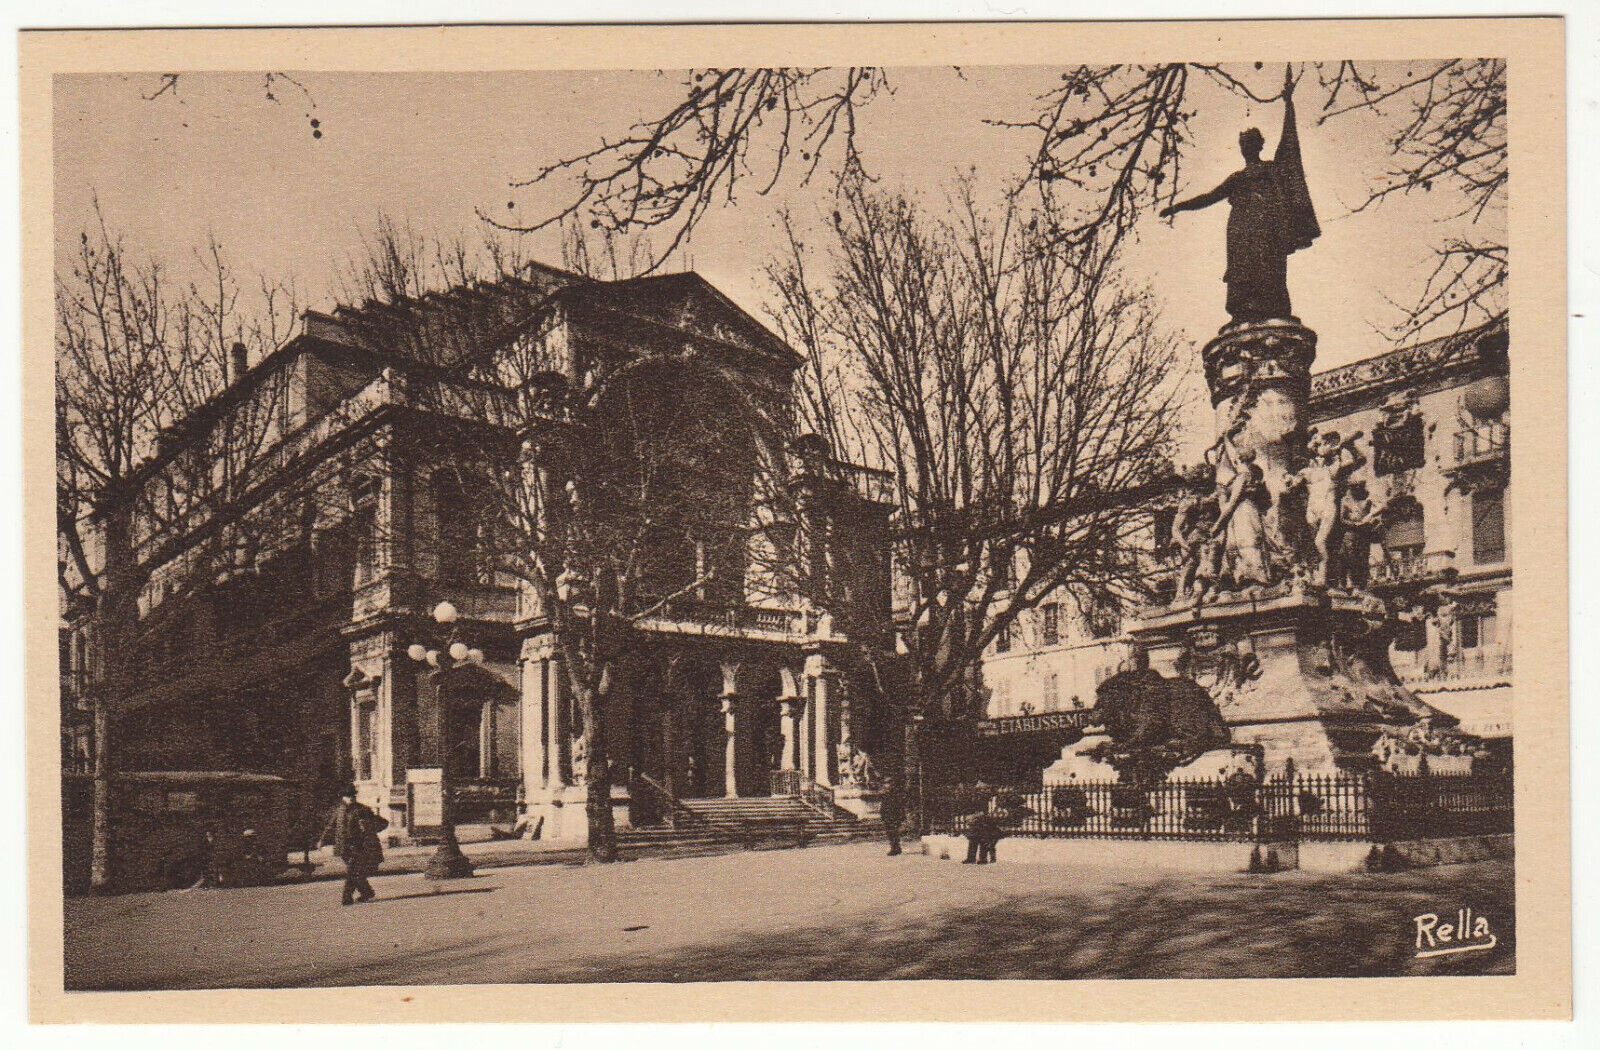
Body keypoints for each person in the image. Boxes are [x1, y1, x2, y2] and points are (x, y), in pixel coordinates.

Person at [1158, 65, 1320, 324]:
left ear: (1258, 146)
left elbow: (1289, 140)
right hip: (1241, 231)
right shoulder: (1237, 178)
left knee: (1269, 270)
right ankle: (1244, 312)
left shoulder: (1271, 170)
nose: (1246, 148)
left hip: (1267, 229)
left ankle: (1272, 310)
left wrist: (1289, 104)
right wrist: (1177, 206)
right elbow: (1208, 197)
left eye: (1250, 143)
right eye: (1243, 144)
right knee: (1242, 273)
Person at [320, 785, 389, 906]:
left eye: (353, 795)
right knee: (356, 873)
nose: (351, 798)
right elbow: (331, 826)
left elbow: (383, 823)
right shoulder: (338, 810)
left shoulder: (362, 810)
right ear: (343, 797)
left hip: (359, 846)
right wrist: (322, 840)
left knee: (352, 871)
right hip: (343, 847)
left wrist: (369, 828)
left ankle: (347, 898)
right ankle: (367, 892)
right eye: (348, 796)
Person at [879, 779, 905, 857]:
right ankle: (895, 847)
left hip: (894, 816)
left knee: (894, 832)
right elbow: (883, 806)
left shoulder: (895, 794)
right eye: (885, 783)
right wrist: (882, 815)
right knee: (890, 833)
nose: (886, 785)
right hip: (887, 816)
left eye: (888, 783)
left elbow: (900, 806)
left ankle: (895, 848)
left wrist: (901, 816)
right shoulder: (885, 794)